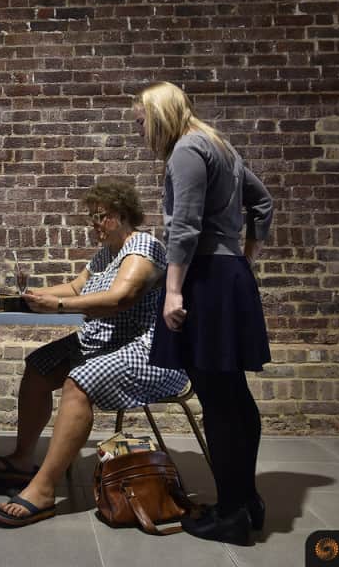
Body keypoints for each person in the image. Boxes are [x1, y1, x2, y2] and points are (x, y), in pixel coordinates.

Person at [0, 179, 189, 528]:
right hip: (102, 341)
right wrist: (33, 296)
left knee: (79, 381)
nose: (94, 224)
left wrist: (59, 305)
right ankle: (22, 459)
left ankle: (44, 490)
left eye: (100, 217)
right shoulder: (106, 252)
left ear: (122, 215)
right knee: (39, 365)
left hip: (146, 349)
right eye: (92, 217)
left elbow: (120, 298)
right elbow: (77, 286)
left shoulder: (142, 246)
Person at [136, 81, 273, 546]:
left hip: (206, 281)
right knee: (233, 394)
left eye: (142, 121)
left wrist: (173, 291)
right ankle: (245, 501)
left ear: (160, 114)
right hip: (228, 274)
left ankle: (232, 513)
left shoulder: (185, 149)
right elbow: (263, 201)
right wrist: (246, 253)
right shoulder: (220, 145)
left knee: (218, 400)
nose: (140, 131)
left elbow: (185, 227)